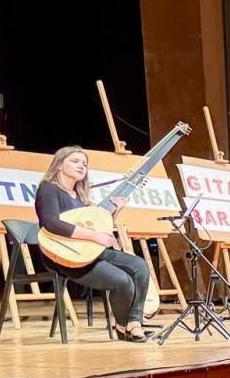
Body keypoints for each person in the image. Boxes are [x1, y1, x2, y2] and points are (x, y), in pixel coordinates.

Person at [33, 146, 155, 341]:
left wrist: (116, 211)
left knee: (139, 266)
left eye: (84, 163)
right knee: (122, 280)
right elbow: (51, 222)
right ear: (59, 165)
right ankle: (122, 325)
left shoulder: (80, 197)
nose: (81, 166)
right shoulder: (48, 188)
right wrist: (93, 236)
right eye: (75, 161)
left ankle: (134, 323)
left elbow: (99, 229)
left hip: (89, 251)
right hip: (65, 256)